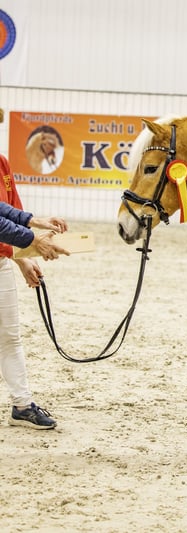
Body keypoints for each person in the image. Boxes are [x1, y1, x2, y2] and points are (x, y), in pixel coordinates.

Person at [0, 110, 70, 430]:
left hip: (1, 262)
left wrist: (29, 236)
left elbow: (5, 211)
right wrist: (34, 240)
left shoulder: (2, 164)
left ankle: (22, 404)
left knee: (10, 336)